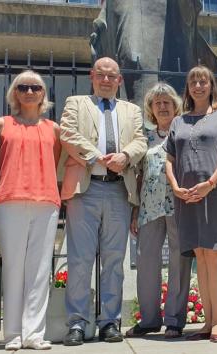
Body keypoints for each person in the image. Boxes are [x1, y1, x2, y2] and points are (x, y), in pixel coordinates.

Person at [59, 57, 147, 344]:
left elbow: (140, 141)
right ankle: (77, 323)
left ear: (119, 80)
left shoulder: (132, 110)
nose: (106, 80)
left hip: (119, 190)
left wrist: (125, 156)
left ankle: (110, 321)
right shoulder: (76, 103)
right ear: (92, 76)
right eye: (101, 75)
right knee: (80, 259)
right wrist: (97, 156)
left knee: (113, 260)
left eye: (112, 76)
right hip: (85, 190)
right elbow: (67, 134)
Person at [164, 65, 217, 343]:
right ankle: (207, 322)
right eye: (193, 81)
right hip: (186, 196)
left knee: (215, 253)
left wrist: (209, 184)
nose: (198, 86)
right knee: (200, 255)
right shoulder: (178, 122)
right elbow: (169, 160)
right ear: (188, 88)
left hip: (216, 193)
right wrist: (175, 187)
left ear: (211, 86)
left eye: (203, 81)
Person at [0, 70, 61, 350]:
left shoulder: (53, 128)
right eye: (23, 87)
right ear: (14, 93)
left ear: (43, 94)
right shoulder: (1, 124)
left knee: (40, 270)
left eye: (35, 87)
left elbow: (54, 162)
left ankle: (34, 334)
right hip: (9, 200)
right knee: (14, 269)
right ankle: (13, 335)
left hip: (46, 202)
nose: (29, 92)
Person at [126, 82, 192, 339]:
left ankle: (175, 320)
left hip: (179, 204)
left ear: (175, 106)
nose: (162, 106)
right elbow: (139, 175)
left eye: (167, 102)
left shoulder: (184, 132)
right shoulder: (145, 138)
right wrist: (135, 210)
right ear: (151, 109)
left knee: (179, 260)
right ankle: (150, 319)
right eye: (157, 103)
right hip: (149, 208)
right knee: (146, 261)